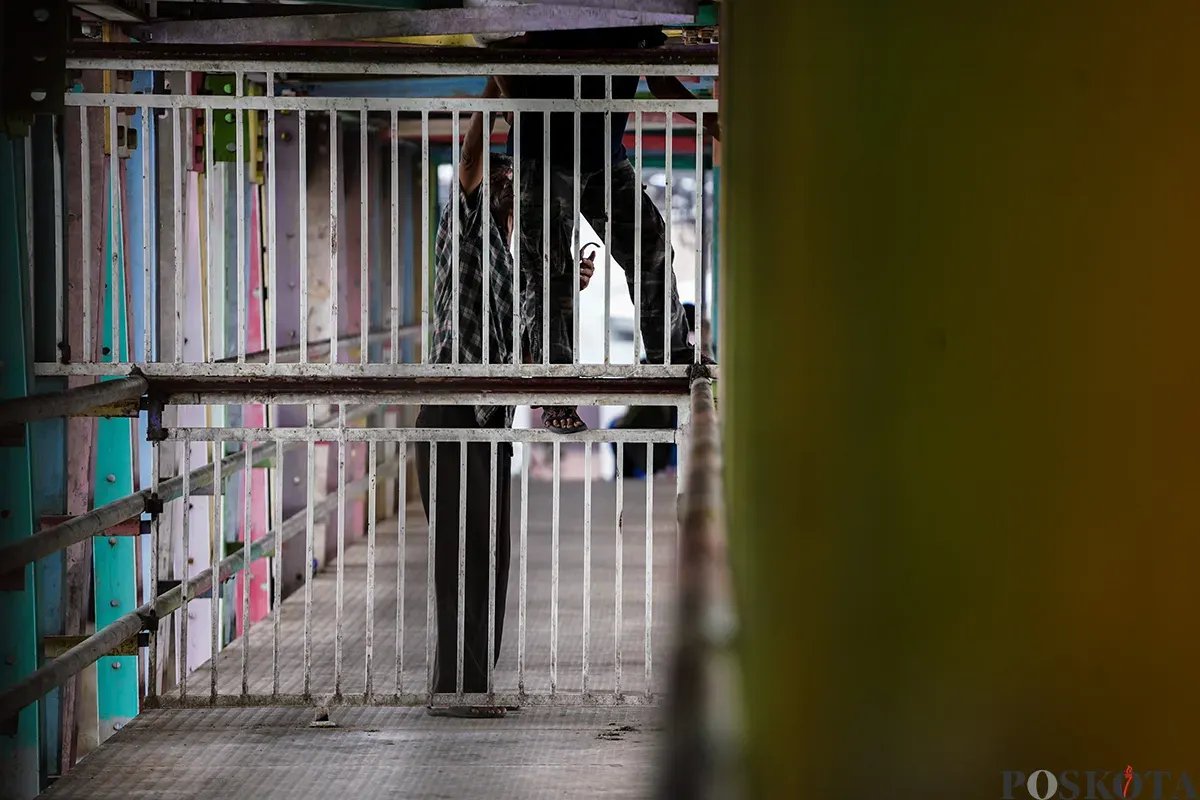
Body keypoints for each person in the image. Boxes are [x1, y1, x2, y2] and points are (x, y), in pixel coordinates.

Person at [492, 27, 719, 434]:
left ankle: (670, 356)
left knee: (650, 245)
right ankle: (556, 386)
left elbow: (660, 79)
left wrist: (714, 120)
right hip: (541, 153)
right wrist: (511, 103)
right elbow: (499, 44)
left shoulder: (640, 19)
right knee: (549, 270)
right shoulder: (560, 15)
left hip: (603, 158)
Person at [414, 77, 517, 719]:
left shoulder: (506, 257)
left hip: (490, 423)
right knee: (463, 555)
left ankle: (472, 686)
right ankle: (454, 688)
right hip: (453, 416)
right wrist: (494, 92)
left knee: (490, 555)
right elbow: (471, 161)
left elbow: (521, 338)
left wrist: (577, 281)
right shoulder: (468, 224)